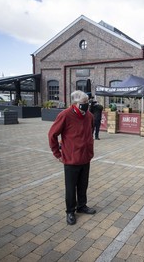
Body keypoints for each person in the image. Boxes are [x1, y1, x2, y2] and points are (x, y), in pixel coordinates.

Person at [48, 90, 96, 225]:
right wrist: (57, 154)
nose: (86, 105)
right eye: (84, 103)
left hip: (85, 157)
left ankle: (82, 206)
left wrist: (89, 150)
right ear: (75, 103)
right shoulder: (65, 115)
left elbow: (90, 132)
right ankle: (70, 211)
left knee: (83, 185)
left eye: (87, 103)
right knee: (70, 188)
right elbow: (52, 135)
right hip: (71, 159)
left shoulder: (89, 116)